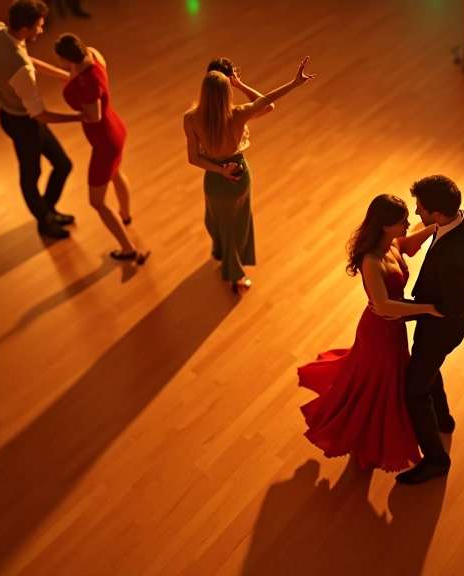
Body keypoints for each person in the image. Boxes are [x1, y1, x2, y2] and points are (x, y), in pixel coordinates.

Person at [297, 194, 441, 472]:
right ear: (386, 227)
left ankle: (369, 431)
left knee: (378, 385)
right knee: (380, 387)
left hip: (392, 329)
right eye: (403, 222)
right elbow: (384, 304)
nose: (408, 224)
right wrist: (428, 308)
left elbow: (410, 244)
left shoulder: (392, 244)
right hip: (379, 334)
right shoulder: (371, 261)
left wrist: (437, 226)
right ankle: (367, 437)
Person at [183, 56, 315, 292]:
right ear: (227, 92)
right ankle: (235, 277)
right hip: (237, 177)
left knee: (218, 219)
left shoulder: (191, 118)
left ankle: (220, 252)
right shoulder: (237, 114)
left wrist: (219, 170)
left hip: (213, 180)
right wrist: (293, 83)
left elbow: (194, 159)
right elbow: (268, 102)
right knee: (237, 227)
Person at [396, 175, 464, 485]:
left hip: (441, 330)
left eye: (420, 208)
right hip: (443, 329)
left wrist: (407, 311)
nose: (417, 214)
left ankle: (435, 460)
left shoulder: (454, 259)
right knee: (429, 369)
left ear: (436, 213)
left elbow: (452, 307)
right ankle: (444, 419)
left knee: (414, 392)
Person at [0, 0, 82, 239]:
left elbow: (25, 59)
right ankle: (45, 221)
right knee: (31, 176)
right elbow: (41, 115)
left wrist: (67, 76)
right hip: (24, 123)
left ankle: (46, 210)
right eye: (38, 26)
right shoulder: (23, 74)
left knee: (63, 164)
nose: (41, 29)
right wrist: (81, 118)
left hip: (9, 114)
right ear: (25, 29)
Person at [55, 33, 148, 263]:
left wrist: (57, 117)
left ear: (68, 60)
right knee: (115, 173)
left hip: (105, 140)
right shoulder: (93, 54)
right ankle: (124, 215)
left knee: (96, 201)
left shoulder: (87, 83)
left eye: (60, 60)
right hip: (116, 128)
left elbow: (93, 116)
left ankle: (128, 249)